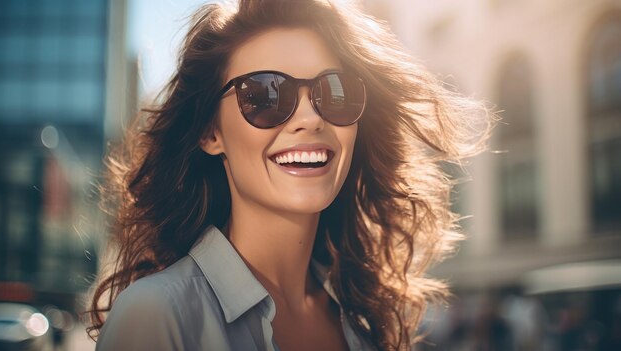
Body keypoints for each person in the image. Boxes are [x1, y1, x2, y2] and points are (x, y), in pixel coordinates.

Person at [86, 0, 491, 350]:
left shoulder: (362, 326)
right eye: (265, 94)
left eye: (335, 92)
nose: (311, 118)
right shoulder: (157, 316)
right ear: (210, 132)